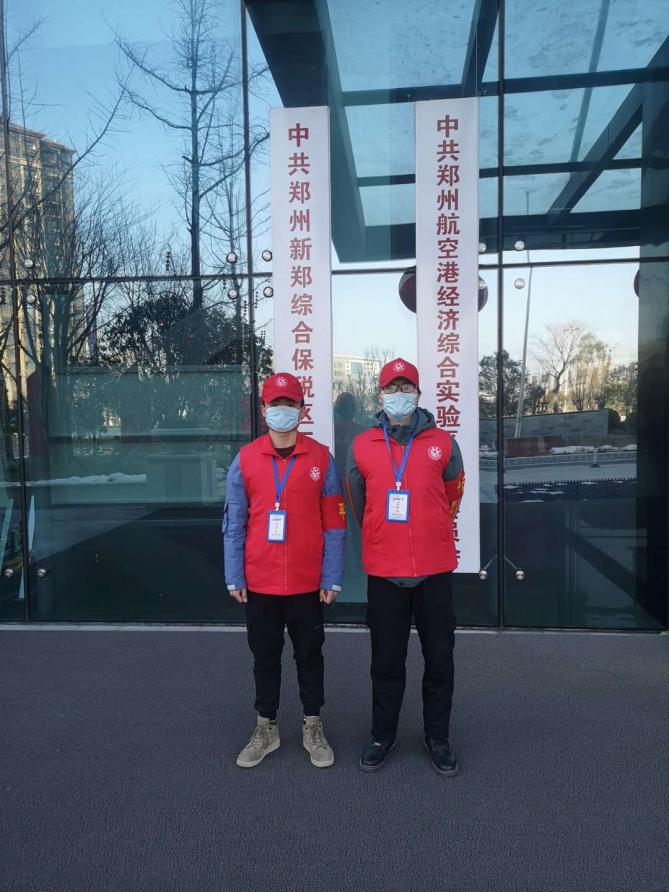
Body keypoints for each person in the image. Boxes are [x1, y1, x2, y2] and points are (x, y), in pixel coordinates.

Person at [345, 358, 465, 775]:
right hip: (385, 572)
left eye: (406, 387)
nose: (399, 395)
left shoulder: (443, 443)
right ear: (380, 396)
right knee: (386, 662)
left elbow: (452, 496)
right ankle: (382, 735)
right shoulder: (362, 446)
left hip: (434, 571)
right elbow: (358, 502)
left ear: (418, 393)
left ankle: (438, 736)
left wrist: (429, 530)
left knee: (440, 659)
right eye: (392, 389)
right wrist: (383, 534)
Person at [223, 372, 346, 769]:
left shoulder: (321, 459)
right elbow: (234, 522)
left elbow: (335, 523)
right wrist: (234, 574)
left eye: (289, 404)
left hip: (307, 582)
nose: (282, 410)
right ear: (264, 411)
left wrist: (331, 574)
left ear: (302, 410)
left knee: (310, 655)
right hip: (259, 580)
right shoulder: (245, 460)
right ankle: (267, 727)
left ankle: (313, 725)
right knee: (264, 656)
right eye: (275, 404)